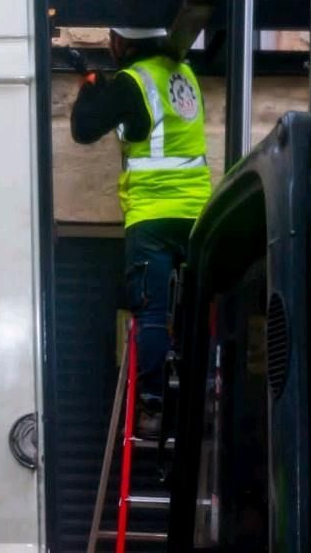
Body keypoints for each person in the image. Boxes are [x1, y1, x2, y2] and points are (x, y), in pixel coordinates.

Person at [70, 26, 211, 438]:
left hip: (152, 214)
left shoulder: (134, 81)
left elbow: (84, 128)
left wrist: (90, 86)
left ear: (122, 43)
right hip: (197, 212)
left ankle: (153, 405)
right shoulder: (184, 73)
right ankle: (200, 397)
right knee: (195, 312)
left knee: (150, 312)